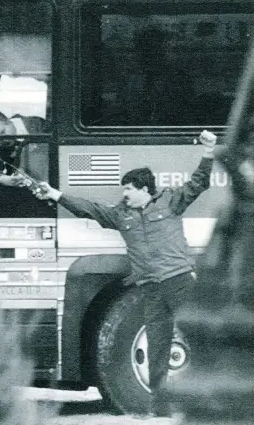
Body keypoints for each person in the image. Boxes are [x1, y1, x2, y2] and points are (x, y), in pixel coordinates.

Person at [32, 129, 217, 417]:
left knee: (204, 340)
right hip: (151, 289)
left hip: (179, 281)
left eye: (128, 189)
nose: (124, 194)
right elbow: (89, 210)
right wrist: (56, 194)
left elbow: (199, 182)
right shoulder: (122, 215)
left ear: (144, 189)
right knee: (158, 346)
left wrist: (208, 152)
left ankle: (219, 398)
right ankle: (159, 406)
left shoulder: (170, 202)